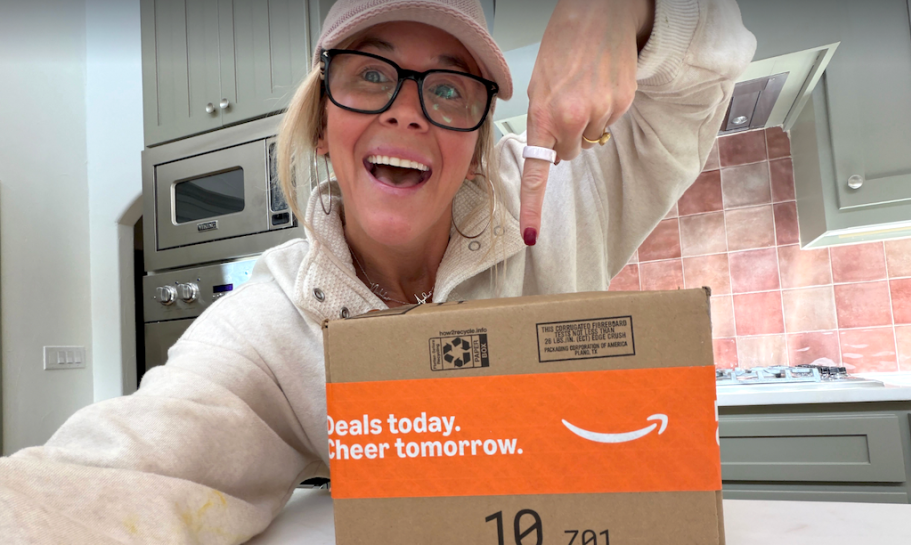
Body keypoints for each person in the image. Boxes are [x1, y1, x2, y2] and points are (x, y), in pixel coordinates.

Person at [0, 0, 756, 542]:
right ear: (323, 125)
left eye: (450, 86)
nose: (409, 111)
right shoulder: (272, 326)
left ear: (478, 143)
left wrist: (625, 9)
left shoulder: (562, 198)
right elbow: (117, 471)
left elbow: (696, 91)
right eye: (370, 75)